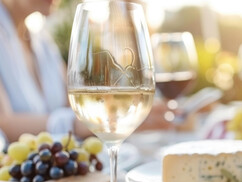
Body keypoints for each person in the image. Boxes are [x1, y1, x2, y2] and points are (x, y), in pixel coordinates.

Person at [0, 0, 170, 142]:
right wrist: (84, 124)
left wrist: (125, 111)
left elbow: (73, 100)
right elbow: (3, 123)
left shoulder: (43, 43)